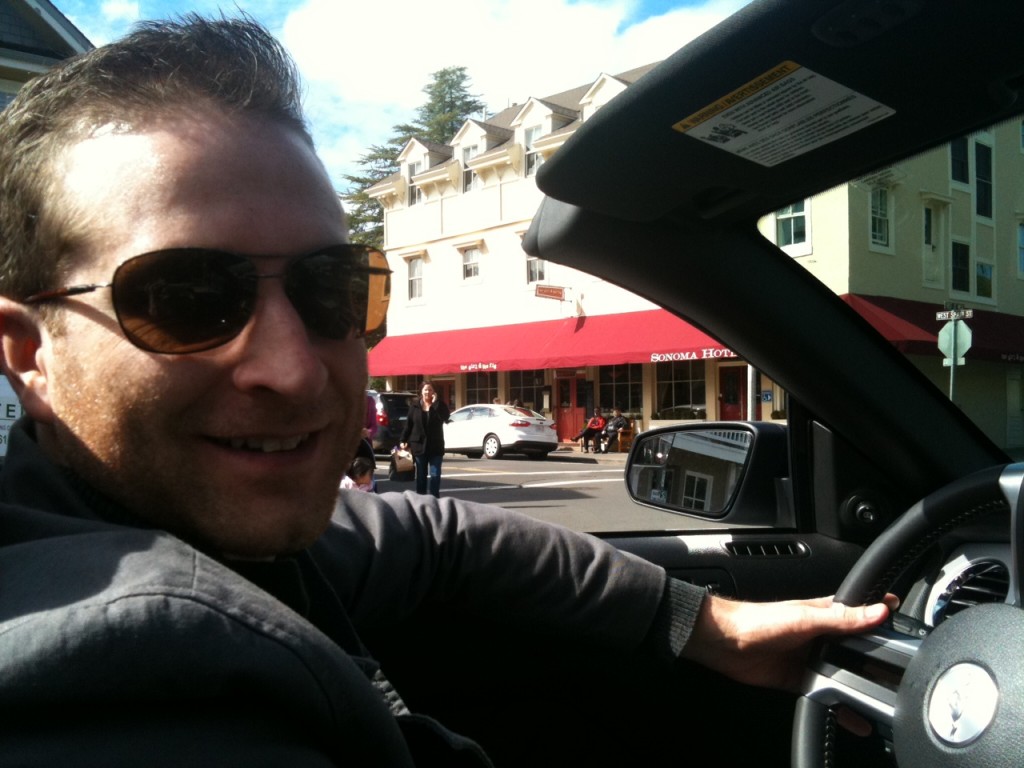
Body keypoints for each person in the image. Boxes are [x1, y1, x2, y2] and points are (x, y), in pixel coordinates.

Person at [0, 16, 894, 764]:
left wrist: (710, 624)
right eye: (188, 298)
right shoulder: (116, 668)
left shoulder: (220, 525)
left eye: (332, 290)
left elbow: (438, 535)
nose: (297, 366)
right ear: (28, 351)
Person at [399, 381, 451, 497]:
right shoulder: (415, 406)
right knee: (421, 476)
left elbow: (445, 418)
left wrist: (435, 403)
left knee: (435, 475)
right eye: (425, 389)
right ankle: (421, 500)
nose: (428, 392)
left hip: (435, 446)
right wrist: (403, 440)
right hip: (419, 445)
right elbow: (409, 425)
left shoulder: (439, 405)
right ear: (421, 391)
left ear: (434, 392)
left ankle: (434, 499)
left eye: (430, 390)